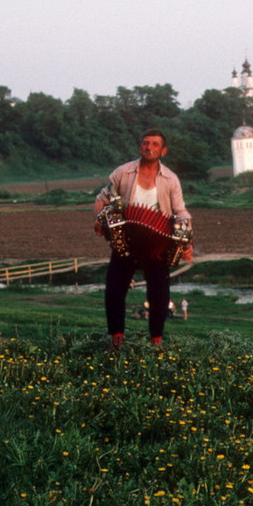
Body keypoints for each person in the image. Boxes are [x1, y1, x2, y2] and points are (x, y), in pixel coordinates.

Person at [94, 129, 192, 348]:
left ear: (163, 151)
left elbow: (181, 212)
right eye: (146, 143)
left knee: (159, 296)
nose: (150, 148)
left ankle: (156, 341)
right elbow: (102, 199)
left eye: (155, 144)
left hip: (157, 246)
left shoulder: (170, 179)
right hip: (126, 241)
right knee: (114, 290)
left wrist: (187, 242)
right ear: (140, 146)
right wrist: (98, 219)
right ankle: (117, 339)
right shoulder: (123, 172)